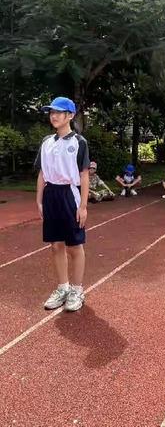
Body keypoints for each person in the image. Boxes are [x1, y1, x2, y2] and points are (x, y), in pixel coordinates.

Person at [35, 97, 90, 312]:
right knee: (55, 244)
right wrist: (39, 199)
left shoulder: (79, 142)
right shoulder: (47, 142)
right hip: (51, 194)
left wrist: (83, 206)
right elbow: (41, 172)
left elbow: (84, 175)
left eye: (59, 112)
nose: (54, 116)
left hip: (70, 194)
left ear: (70, 115)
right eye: (51, 112)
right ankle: (63, 287)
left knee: (74, 245)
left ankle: (77, 289)